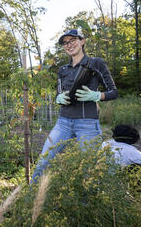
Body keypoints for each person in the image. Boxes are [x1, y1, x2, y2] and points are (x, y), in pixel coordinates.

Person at [31, 29, 118, 183]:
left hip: (87, 124)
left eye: (72, 40)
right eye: (65, 43)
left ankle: (87, 205)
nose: (69, 45)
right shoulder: (63, 69)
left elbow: (113, 92)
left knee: (88, 171)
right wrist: (58, 98)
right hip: (63, 122)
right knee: (43, 162)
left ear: (82, 41)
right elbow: (58, 91)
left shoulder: (95, 63)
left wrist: (97, 95)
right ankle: (30, 199)